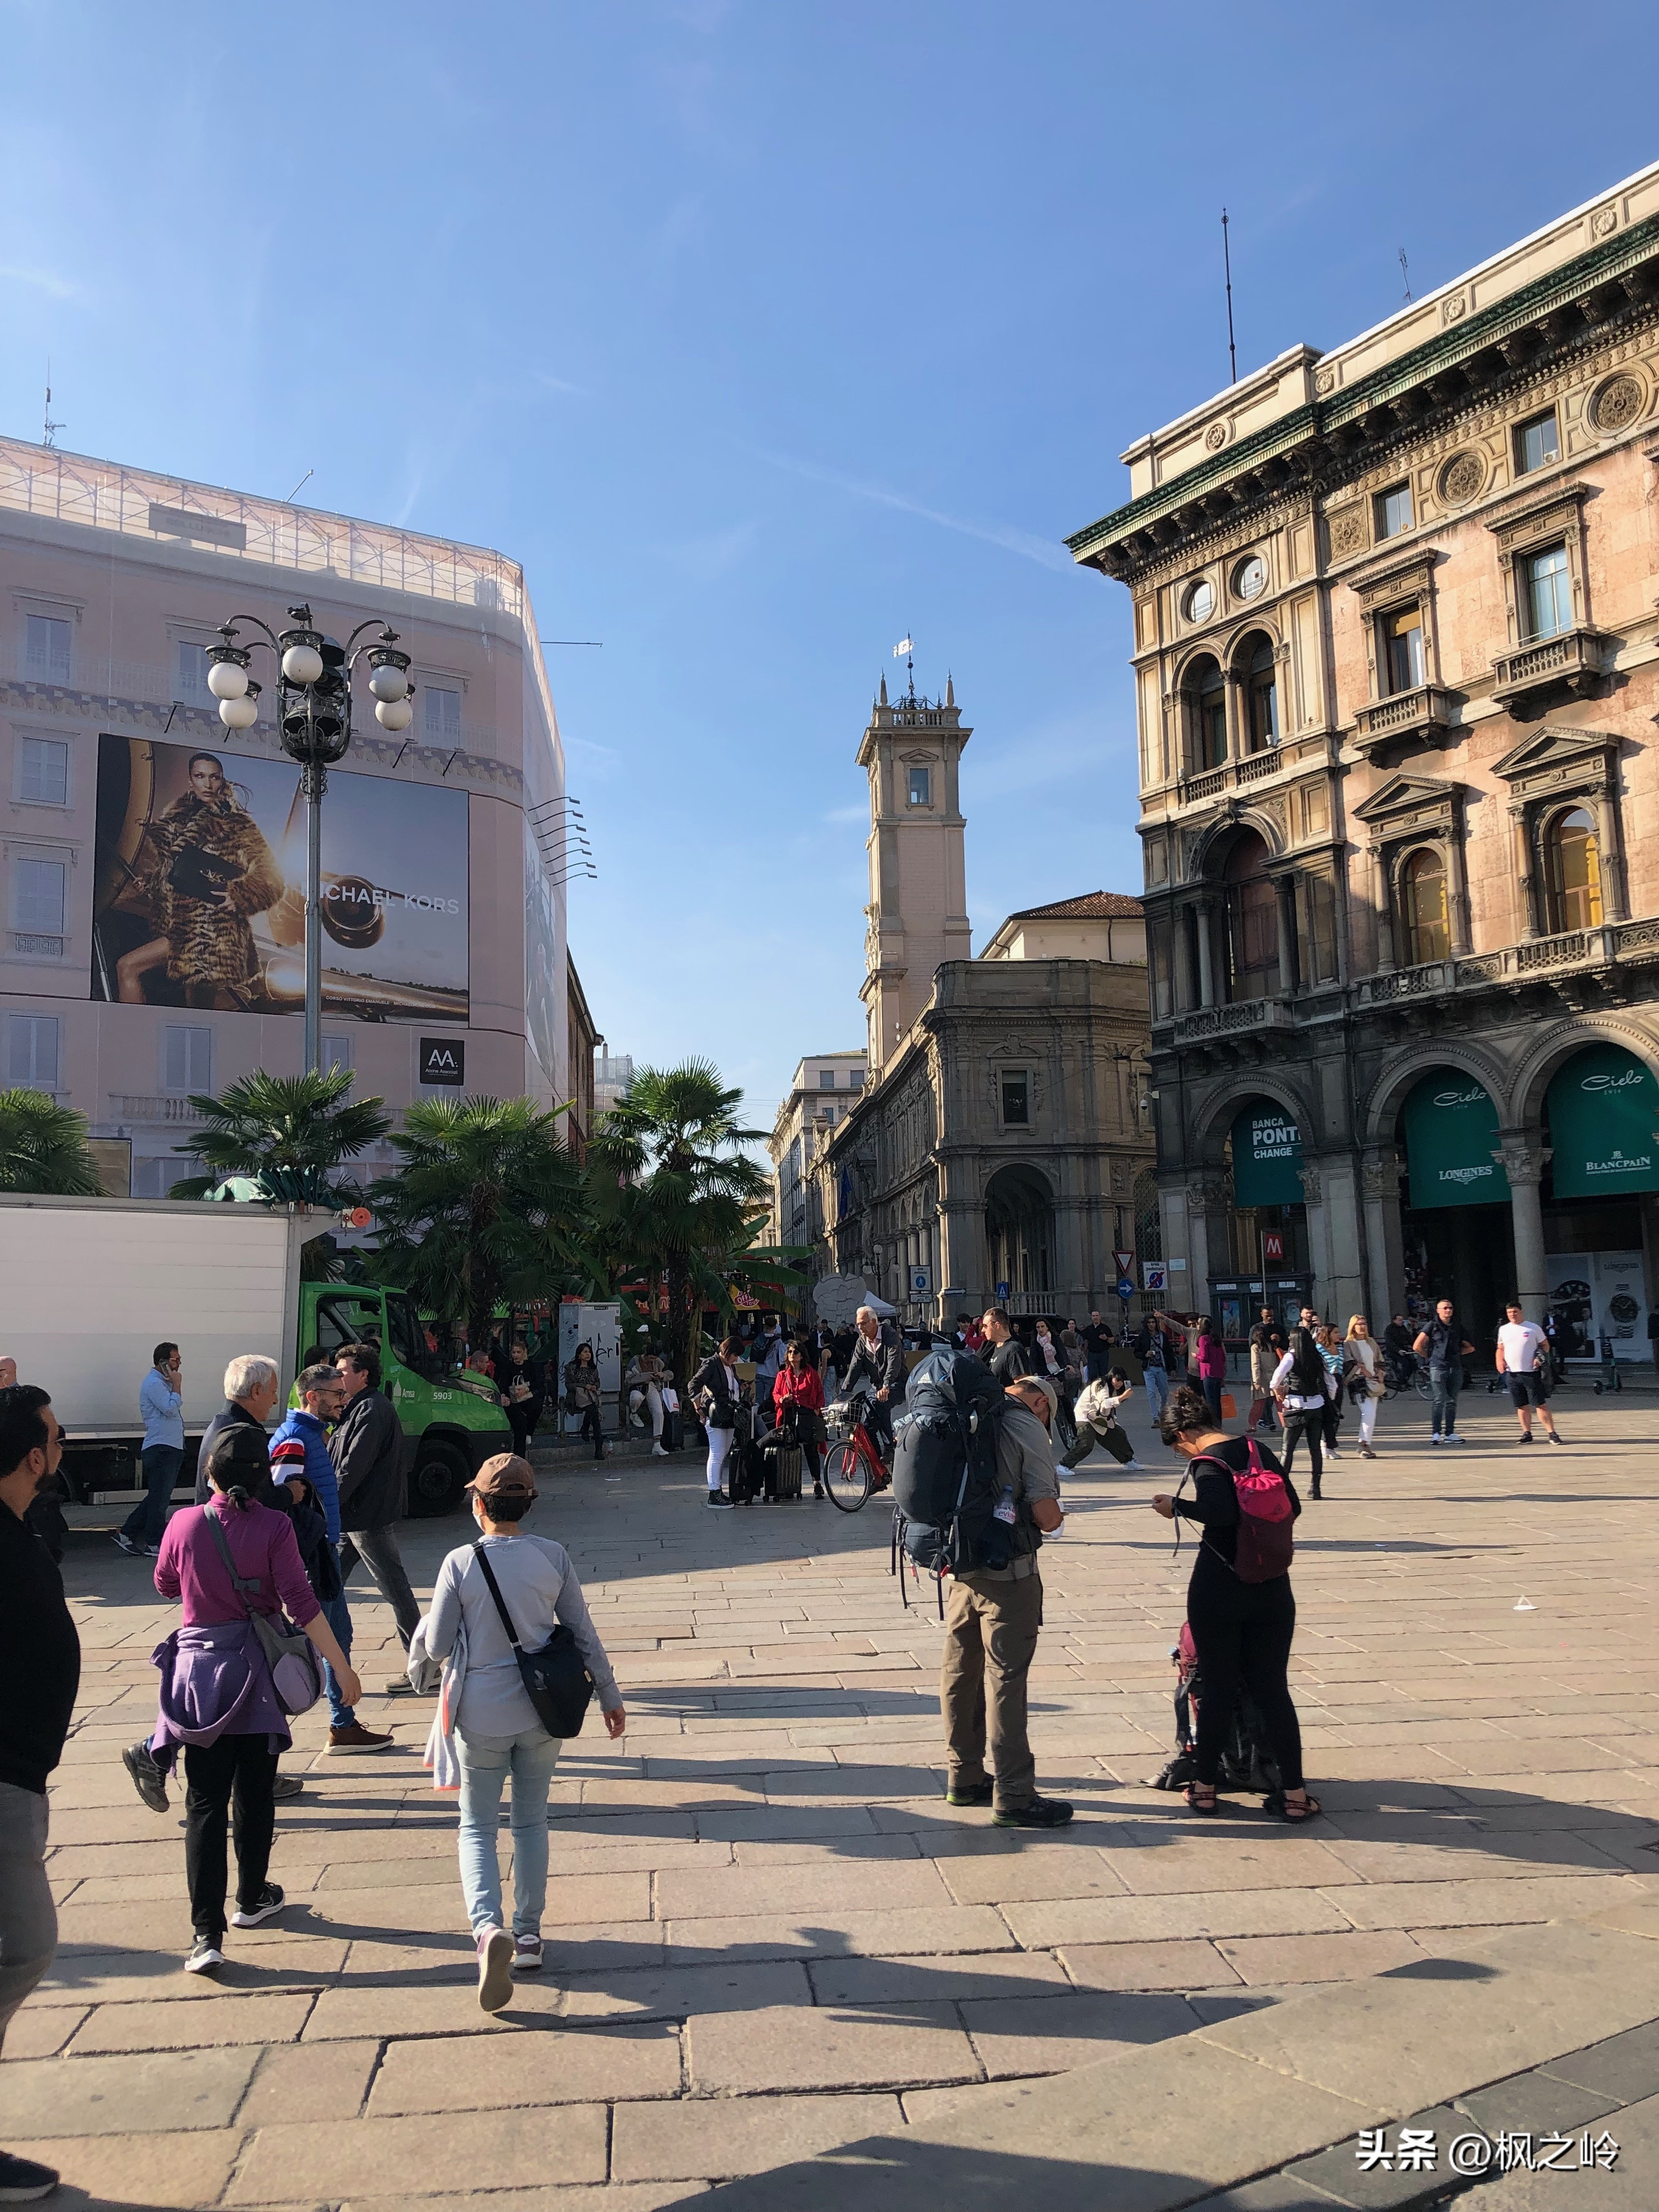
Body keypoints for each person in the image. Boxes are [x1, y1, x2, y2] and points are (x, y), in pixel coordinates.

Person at [145, 1427, 360, 1974]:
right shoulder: (276, 1526)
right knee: (256, 1791)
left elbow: (165, 1584)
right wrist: (342, 1666)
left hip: (199, 1679)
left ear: (211, 1476)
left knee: (204, 1802)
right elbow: (303, 1603)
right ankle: (251, 1897)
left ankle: (204, 1934)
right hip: (258, 1675)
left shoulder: (184, 1523)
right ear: (263, 1478)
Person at [421, 1454, 624, 2007]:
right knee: (532, 1821)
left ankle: (488, 1930)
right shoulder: (552, 1556)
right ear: (529, 1504)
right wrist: (610, 1695)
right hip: (543, 1713)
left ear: (479, 1506)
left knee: (477, 1826)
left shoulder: (459, 1563)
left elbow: (437, 1646)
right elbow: (582, 1631)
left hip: (480, 1715)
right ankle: (529, 1934)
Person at [1151, 1384, 1318, 1822]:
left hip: (1219, 1587)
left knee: (1219, 1687)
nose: (1182, 1457)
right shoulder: (1258, 1450)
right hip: (1271, 1585)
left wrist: (1176, 1507)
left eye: (1177, 1451)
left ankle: (1204, 1787)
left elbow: (1221, 1515)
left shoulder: (1208, 1463)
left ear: (1183, 1437)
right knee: (1273, 1690)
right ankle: (1295, 1793)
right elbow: (1293, 1507)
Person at [0, 1384, 78, 2205]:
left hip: (21, 1775)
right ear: (33, 1456)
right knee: (24, 1947)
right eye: (55, 1438)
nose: (62, 1445)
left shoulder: (24, 1525)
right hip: (4, 1779)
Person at [940, 1374, 1069, 1829]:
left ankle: (964, 1777)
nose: (1046, 1421)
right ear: (1039, 1402)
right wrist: (1058, 1516)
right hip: (1009, 1571)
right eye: (1048, 1413)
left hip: (959, 1565)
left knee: (960, 1671)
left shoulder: (963, 1412)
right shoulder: (1024, 1423)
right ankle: (1014, 1796)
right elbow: (1046, 1514)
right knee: (1006, 1681)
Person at [271, 1363, 390, 1754]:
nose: (344, 1401)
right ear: (312, 1397)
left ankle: (343, 1723)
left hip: (320, 1551)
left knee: (337, 1636)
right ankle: (338, 1725)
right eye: (337, 1395)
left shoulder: (308, 1436)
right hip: (311, 1557)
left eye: (345, 1393)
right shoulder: (295, 1440)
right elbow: (279, 1505)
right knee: (327, 1639)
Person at [114, 750, 285, 1008]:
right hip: (182, 927)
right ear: (190, 781)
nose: (208, 784)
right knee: (203, 1007)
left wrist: (240, 895)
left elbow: (272, 877)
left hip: (214, 930)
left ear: (223, 781)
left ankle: (133, 1036)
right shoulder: (176, 823)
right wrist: (151, 883)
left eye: (215, 777)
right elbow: (178, 872)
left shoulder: (237, 825)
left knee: (128, 967)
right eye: (200, 776)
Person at [332, 1342, 422, 1689]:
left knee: (396, 1591)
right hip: (353, 1518)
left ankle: (425, 1667)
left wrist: (328, 1502)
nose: (338, 1378)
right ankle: (297, 1653)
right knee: (322, 1585)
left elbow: (353, 1466)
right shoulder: (356, 1408)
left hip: (365, 1516)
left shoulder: (371, 1409)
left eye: (343, 1372)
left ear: (363, 1374)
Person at [114, 1340, 185, 1558]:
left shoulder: (162, 1383)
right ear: (164, 1362)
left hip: (170, 1446)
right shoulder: (154, 1384)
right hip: (161, 1447)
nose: (179, 1364)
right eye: (176, 1359)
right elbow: (171, 1409)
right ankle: (154, 1543)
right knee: (160, 1499)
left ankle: (126, 1532)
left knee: (158, 1496)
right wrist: (177, 1385)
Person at [194, 1353, 282, 1504]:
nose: (275, 1401)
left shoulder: (220, 1425)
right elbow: (258, 1500)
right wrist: (290, 1493)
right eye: (273, 1392)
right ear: (256, 1391)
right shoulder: (242, 1436)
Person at [1272, 1327, 1333, 1499]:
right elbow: (1331, 1383)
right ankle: (1316, 1488)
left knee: (1288, 1449)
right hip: (1316, 1406)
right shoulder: (1318, 1357)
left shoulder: (1291, 1357)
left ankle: (1282, 1489)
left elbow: (1275, 1379)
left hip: (1296, 1407)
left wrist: (1279, 1391)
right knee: (1315, 1449)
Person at [843, 1305, 907, 1455]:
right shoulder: (862, 1342)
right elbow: (855, 1367)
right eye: (858, 1324)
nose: (860, 1327)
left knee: (881, 1403)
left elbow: (894, 1362)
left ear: (874, 1322)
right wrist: (844, 1393)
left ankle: (889, 1445)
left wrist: (887, 1385)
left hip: (897, 1383)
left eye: (864, 1323)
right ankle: (877, 1462)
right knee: (866, 1426)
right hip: (877, 1387)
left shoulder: (889, 1335)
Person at [1496, 1301, 1564, 1446]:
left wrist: (1539, 1358)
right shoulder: (1504, 1329)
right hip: (1512, 1373)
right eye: (1509, 1313)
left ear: (1521, 1312)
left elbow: (1545, 1346)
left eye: (1515, 1312)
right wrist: (1499, 1361)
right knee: (1521, 1405)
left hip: (1531, 1373)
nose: (1512, 1315)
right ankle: (1527, 1433)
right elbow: (1500, 1348)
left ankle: (1552, 1433)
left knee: (1540, 1404)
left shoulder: (1533, 1328)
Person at [1414, 1298, 1476, 1445]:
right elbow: (1417, 1346)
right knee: (1439, 1399)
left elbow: (1471, 1347)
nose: (1448, 1310)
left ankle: (1450, 1433)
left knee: (1452, 1401)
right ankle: (1436, 1433)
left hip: (1455, 1367)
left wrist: (1458, 1353)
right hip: (1438, 1367)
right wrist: (1429, 1356)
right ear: (1438, 1310)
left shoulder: (1457, 1326)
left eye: (1450, 1308)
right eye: (1445, 1308)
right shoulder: (1432, 1326)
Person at [771, 1336, 828, 1496]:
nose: (792, 1355)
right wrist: (782, 1399)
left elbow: (819, 1392)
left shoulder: (811, 1374)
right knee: (789, 1448)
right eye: (790, 1352)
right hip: (789, 1414)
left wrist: (817, 1409)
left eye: (796, 1352)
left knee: (811, 1449)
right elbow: (775, 1393)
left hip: (807, 1415)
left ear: (802, 1355)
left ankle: (817, 1483)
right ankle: (789, 1485)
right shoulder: (782, 1375)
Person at [689, 1337, 742, 1508]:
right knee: (717, 1452)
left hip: (729, 1415)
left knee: (723, 1452)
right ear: (727, 1352)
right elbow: (693, 1384)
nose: (736, 1359)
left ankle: (718, 1489)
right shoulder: (712, 1363)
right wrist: (699, 1408)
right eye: (734, 1355)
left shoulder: (730, 1367)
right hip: (716, 1415)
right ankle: (714, 1492)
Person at [1062, 1369, 1141, 1471]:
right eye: (1117, 1380)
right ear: (1112, 1377)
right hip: (1085, 1416)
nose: (1119, 1384)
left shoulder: (1111, 1387)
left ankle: (1128, 1461)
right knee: (1086, 1444)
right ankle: (1063, 1466)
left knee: (1118, 1435)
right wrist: (1122, 1397)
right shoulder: (1101, 1384)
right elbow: (1104, 1403)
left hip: (1100, 1419)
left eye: (1121, 1381)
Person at [495, 1338, 546, 1459]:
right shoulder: (508, 1367)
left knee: (537, 1407)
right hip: (512, 1400)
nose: (516, 1355)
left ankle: (530, 1432)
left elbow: (537, 1383)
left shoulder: (530, 1366)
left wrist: (526, 1389)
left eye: (518, 1352)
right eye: (514, 1352)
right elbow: (502, 1383)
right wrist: (503, 1395)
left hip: (527, 1397)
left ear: (524, 1353)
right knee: (520, 1426)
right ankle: (519, 1458)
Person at [1341, 1316, 1384, 1460]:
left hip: (1374, 1381)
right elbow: (1349, 1362)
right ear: (1353, 1326)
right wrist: (1363, 1371)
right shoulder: (1349, 1343)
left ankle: (1366, 1443)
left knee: (1372, 1413)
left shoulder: (1371, 1342)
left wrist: (1380, 1373)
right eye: (1359, 1324)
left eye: (1364, 1323)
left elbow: (1379, 1360)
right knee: (1368, 1412)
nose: (1362, 1326)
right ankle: (1363, 1443)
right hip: (1359, 1383)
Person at [562, 1341, 606, 1461]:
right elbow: (569, 1385)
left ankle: (598, 1449)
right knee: (593, 1412)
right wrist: (583, 1386)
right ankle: (585, 1428)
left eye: (589, 1352)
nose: (588, 1354)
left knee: (595, 1417)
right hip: (576, 1398)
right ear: (579, 1355)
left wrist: (594, 1387)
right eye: (585, 1352)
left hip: (590, 1397)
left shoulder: (593, 1368)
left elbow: (597, 1381)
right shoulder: (571, 1368)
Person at [624, 1346, 669, 1457]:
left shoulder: (659, 1362)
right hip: (638, 1387)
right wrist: (645, 1377)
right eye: (651, 1358)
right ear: (646, 1355)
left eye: (655, 1359)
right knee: (636, 1398)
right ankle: (633, 1413)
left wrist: (662, 1375)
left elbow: (669, 1372)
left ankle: (657, 1444)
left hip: (653, 1387)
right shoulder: (635, 1361)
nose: (653, 1361)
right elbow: (629, 1379)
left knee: (659, 1412)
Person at [1133, 1314, 1173, 1421]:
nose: (1152, 1325)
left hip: (1161, 1367)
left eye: (1153, 1322)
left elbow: (1169, 1352)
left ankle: (1162, 1411)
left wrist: (1173, 1368)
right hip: (1149, 1368)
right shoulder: (1143, 1336)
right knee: (1151, 1393)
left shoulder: (1162, 1336)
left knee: (1164, 1394)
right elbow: (1136, 1352)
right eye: (1149, 1323)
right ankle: (1155, 1417)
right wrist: (1145, 1354)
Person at [978, 1306, 1028, 1386]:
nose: (983, 1330)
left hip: (1007, 1399)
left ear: (997, 1325)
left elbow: (1023, 1387)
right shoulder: (993, 1348)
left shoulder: (1014, 1349)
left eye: (986, 1326)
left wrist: (1000, 1392)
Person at [1316, 1325, 1345, 1460]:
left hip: (1339, 1380)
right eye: (1335, 1332)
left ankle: (1329, 1444)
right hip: (1326, 1383)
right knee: (1328, 1414)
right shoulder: (1319, 1349)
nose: (1338, 1335)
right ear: (1328, 1334)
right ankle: (1327, 1445)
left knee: (1337, 1414)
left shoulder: (1340, 1347)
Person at [1246, 1322, 1280, 1437]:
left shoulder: (1255, 1347)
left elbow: (1255, 1364)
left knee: (1259, 1403)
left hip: (1262, 1377)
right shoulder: (1273, 1346)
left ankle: (1252, 1425)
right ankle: (1286, 1424)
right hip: (1275, 1376)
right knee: (1280, 1403)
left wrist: (1256, 1381)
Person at [1193, 1316, 1228, 1424]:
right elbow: (1223, 1357)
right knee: (1217, 1401)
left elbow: (1204, 1357)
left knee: (1210, 1401)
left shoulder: (1203, 1339)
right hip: (1218, 1373)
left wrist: (1196, 1356)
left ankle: (1213, 1424)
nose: (1197, 1326)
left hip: (1208, 1373)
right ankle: (1219, 1423)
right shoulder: (1216, 1339)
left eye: (1198, 1324)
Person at [1082, 1310, 1116, 1384]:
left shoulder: (1105, 1328)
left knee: (1103, 1374)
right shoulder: (1089, 1329)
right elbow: (1085, 1342)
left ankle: (1104, 1389)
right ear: (1091, 1318)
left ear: (1100, 1317)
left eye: (1097, 1316)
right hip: (1092, 1354)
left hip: (1103, 1354)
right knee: (1092, 1374)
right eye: (1093, 1316)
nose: (1095, 1318)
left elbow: (1112, 1340)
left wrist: (1106, 1338)